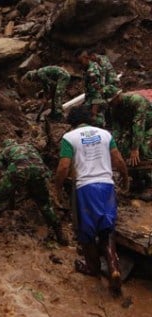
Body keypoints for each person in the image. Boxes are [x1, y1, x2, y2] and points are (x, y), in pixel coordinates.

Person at [55, 106, 129, 296]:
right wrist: (125, 177)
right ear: (89, 119)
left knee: (85, 230)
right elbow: (118, 160)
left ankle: (93, 267)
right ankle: (114, 267)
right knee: (107, 228)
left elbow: (63, 167)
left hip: (85, 188)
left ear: (71, 122)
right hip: (106, 186)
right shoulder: (105, 134)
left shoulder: (69, 138)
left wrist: (56, 188)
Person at [107, 90, 152, 199]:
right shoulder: (114, 108)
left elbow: (139, 125)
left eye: (112, 101)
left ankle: (150, 184)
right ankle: (138, 181)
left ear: (118, 96)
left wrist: (135, 148)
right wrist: (115, 149)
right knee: (124, 149)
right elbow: (116, 130)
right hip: (133, 128)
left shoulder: (136, 100)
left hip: (148, 125)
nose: (110, 104)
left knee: (144, 149)